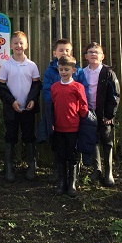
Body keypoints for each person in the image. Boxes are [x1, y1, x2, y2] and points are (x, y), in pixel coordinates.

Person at [0, 31, 42, 182]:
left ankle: (31, 166)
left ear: (26, 45)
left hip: (27, 109)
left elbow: (36, 85)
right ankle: (9, 167)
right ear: (10, 45)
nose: (18, 46)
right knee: (11, 136)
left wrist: (33, 100)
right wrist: (11, 101)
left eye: (21, 43)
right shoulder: (6, 66)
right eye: (15, 43)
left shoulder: (32, 66)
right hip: (11, 110)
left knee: (29, 136)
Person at [38, 38, 87, 181]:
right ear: (55, 53)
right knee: (56, 142)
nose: (64, 52)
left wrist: (81, 110)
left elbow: (84, 90)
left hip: (72, 115)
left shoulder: (77, 70)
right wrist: (52, 105)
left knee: (73, 145)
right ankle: (58, 171)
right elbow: (47, 89)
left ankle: (73, 174)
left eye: (67, 50)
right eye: (61, 50)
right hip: (55, 111)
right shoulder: (50, 71)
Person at [51, 55, 89, 197]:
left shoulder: (78, 87)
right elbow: (53, 105)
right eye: (61, 69)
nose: (63, 72)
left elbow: (84, 106)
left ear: (73, 70)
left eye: (66, 69)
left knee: (72, 155)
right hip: (58, 128)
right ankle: (62, 183)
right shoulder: (55, 87)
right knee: (61, 154)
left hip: (73, 128)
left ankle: (72, 183)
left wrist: (82, 118)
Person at [83, 42, 120, 186]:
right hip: (88, 113)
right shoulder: (82, 72)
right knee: (93, 140)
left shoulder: (107, 72)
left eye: (96, 52)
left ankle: (108, 172)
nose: (93, 54)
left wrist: (109, 115)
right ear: (86, 56)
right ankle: (96, 169)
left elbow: (115, 94)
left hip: (104, 114)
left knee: (107, 141)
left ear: (102, 56)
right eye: (90, 52)